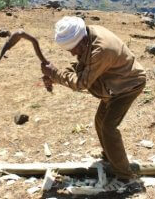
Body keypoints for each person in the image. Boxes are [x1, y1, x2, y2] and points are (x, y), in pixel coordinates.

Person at [41, 16, 146, 179]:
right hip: (112, 82)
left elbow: (81, 83)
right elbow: (82, 66)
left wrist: (54, 74)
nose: (72, 53)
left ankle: (125, 175)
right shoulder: (87, 35)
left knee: (108, 127)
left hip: (127, 85)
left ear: (81, 40)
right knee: (100, 121)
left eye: (73, 49)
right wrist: (55, 75)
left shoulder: (101, 49)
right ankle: (110, 156)